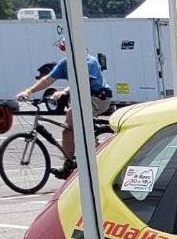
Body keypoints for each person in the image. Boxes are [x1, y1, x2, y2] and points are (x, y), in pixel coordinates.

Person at [16, 41, 110, 177]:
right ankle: (68, 165)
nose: (68, 52)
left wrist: (64, 91)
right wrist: (28, 92)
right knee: (67, 130)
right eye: (65, 50)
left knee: (72, 114)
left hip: (98, 99)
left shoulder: (90, 61)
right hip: (81, 100)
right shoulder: (65, 63)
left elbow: (83, 82)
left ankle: (93, 151)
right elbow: (48, 79)